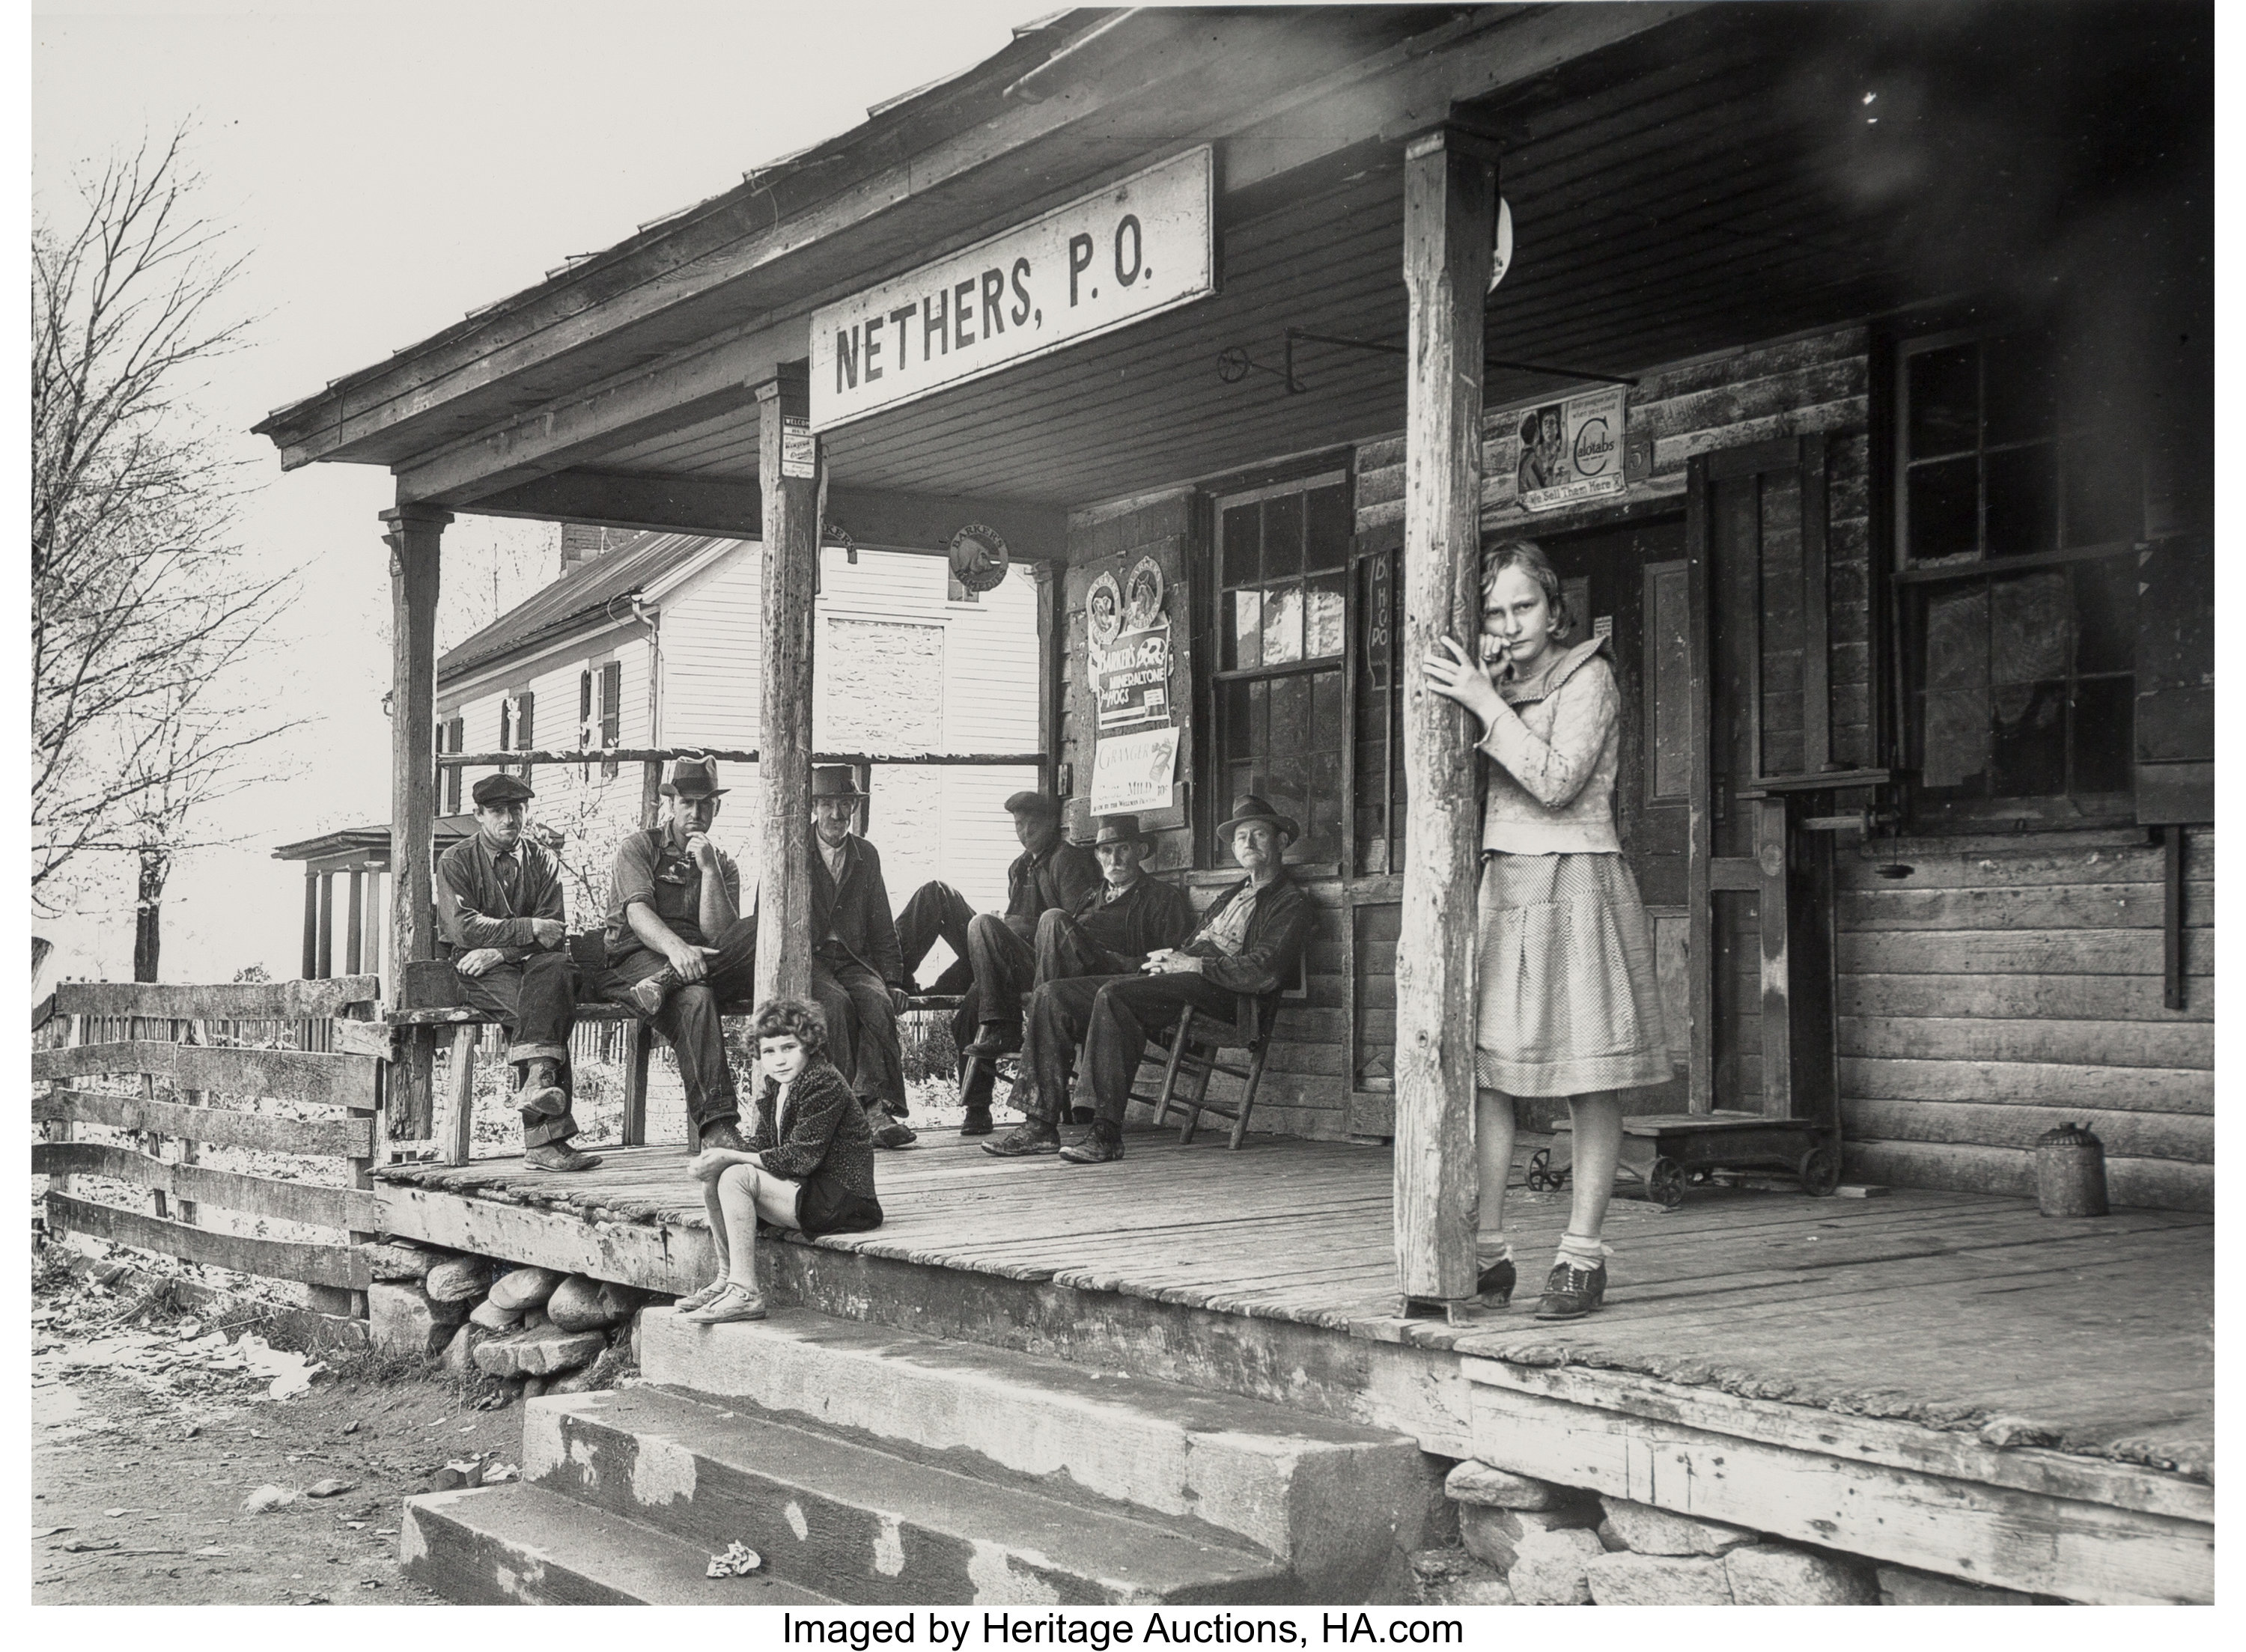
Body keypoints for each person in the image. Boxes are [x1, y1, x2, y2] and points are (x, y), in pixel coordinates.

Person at [1423, 537, 1673, 1321]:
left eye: (1523, 606)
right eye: (1495, 611)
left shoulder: (1587, 676)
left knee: (1587, 1073)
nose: (1510, 623)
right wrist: (1479, 697)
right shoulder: (1489, 684)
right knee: (1491, 1074)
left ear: (1556, 608)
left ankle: (1580, 1255)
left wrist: (1487, 703)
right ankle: (1490, 1248)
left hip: (1576, 881)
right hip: (1504, 885)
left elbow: (1560, 781)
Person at [984, 796, 1312, 1165]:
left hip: (1226, 996)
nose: (1248, 844)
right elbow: (1193, 945)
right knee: (1051, 994)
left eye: (1259, 835)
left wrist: (1192, 965)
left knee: (1115, 994)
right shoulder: (1233, 894)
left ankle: (1105, 1133)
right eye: (1241, 838)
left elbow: (1263, 971)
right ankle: (1040, 1125)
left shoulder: (1289, 902)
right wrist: (1168, 960)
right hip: (1186, 979)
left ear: (1282, 842)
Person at [956, 813, 1196, 1136]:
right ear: (1097, 857)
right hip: (1063, 976)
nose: (1115, 859)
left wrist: (1117, 961)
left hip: (1108, 982)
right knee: (982, 925)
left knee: (1053, 919)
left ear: (1140, 851)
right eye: (1106, 852)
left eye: (1123, 849)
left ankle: (1038, 1041)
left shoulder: (1161, 898)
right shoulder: (1091, 896)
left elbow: (1167, 962)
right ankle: (1004, 1028)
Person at [674, 996, 883, 1326]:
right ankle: (727, 1279)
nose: (779, 1060)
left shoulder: (822, 1082)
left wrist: (731, 1155)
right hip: (807, 1192)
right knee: (718, 1175)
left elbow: (800, 1158)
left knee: (736, 1176)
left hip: (843, 1201)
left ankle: (745, 1293)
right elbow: (765, 1145)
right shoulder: (777, 1087)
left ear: (809, 1046)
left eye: (789, 1048)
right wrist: (716, 1158)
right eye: (769, 1052)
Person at [435, 773, 600, 1172]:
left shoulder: (541, 859)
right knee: (546, 1015)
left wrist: (500, 949)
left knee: (556, 971)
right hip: (477, 972)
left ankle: (538, 1088)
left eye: (516, 810)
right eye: (497, 811)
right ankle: (545, 1142)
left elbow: (554, 929)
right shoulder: (456, 860)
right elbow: (463, 928)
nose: (509, 819)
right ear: (478, 815)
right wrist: (524, 933)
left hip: (521, 963)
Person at [596, 754, 758, 1153]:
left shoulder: (722, 864)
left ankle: (667, 983)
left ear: (717, 808)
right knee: (697, 996)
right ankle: (719, 1127)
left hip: (695, 963)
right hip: (638, 958)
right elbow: (636, 912)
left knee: (764, 925)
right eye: (687, 803)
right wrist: (676, 951)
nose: (696, 812)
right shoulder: (639, 847)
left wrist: (709, 872)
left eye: (706, 804)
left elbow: (721, 935)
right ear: (671, 804)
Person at [893, 788, 1100, 1072]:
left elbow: (1071, 931)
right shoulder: (1019, 866)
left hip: (1042, 967)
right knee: (937, 893)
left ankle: (982, 1088)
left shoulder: (1068, 861)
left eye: (1033, 825)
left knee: (973, 1004)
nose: (1025, 832)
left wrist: (1009, 925)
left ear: (1052, 824)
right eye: (1018, 825)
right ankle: (894, 973)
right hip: (1005, 961)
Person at [805, 766, 917, 1149]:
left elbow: (883, 925)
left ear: (854, 807)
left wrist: (894, 978)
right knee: (834, 1005)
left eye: (845, 805)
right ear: (815, 808)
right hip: (811, 958)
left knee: (877, 1001)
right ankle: (861, 1109)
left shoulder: (865, 854)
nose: (837, 815)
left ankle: (877, 1106)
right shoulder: (794, 849)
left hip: (854, 956)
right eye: (829, 805)